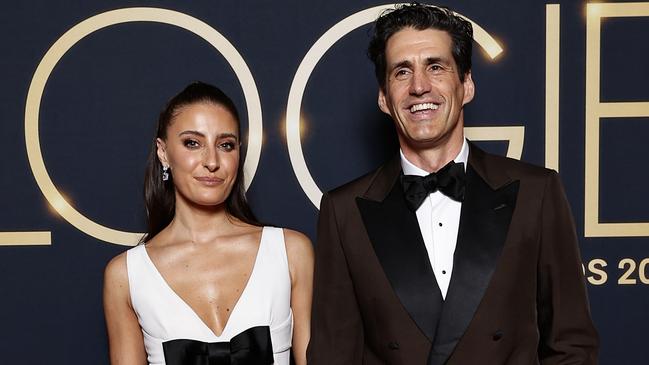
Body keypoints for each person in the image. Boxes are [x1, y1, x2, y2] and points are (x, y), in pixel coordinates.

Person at [308, 4, 598, 365]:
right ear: (384, 97)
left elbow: (572, 345)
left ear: (466, 85)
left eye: (436, 67)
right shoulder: (344, 210)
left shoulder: (535, 192)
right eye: (402, 72)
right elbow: (333, 355)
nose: (419, 86)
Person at [103, 82, 313, 365]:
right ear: (163, 152)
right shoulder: (126, 275)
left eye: (225, 145)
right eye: (193, 143)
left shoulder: (290, 251)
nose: (212, 161)